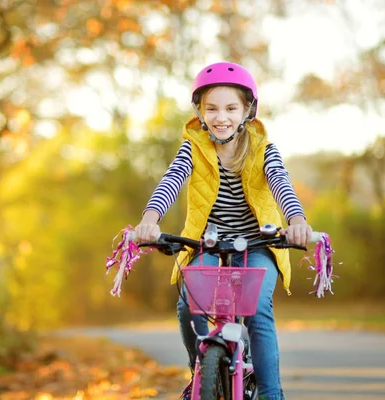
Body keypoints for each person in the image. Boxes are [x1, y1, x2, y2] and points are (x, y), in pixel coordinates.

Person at [134, 61, 312, 400]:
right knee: (189, 304)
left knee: (258, 309)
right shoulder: (193, 149)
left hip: (258, 244)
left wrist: (297, 223)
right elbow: (172, 180)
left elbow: (281, 185)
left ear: (247, 110)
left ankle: (272, 394)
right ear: (200, 112)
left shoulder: (263, 151)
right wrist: (150, 218)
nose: (221, 117)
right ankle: (201, 369)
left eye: (231, 108)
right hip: (208, 244)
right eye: (211, 108)